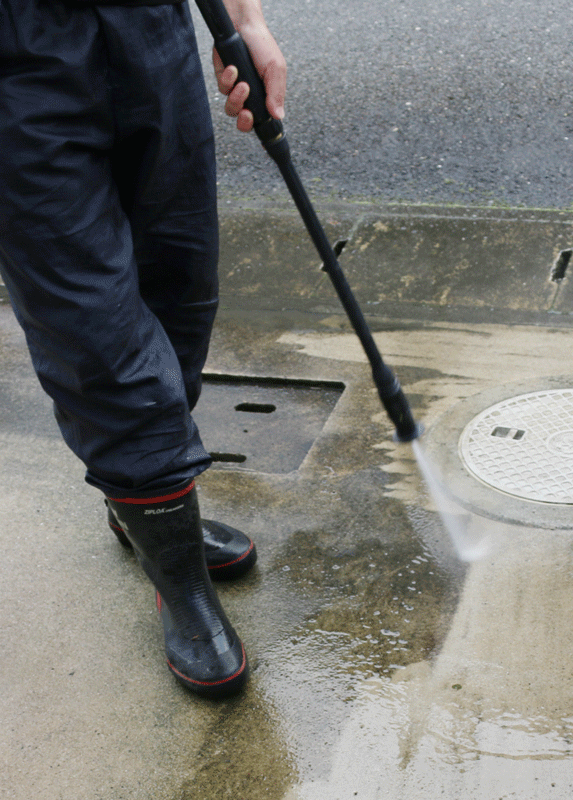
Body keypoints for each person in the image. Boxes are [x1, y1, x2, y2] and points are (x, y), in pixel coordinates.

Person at [0, 0, 286, 698]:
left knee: (180, 281)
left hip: (150, 24)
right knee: (95, 328)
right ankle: (178, 577)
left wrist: (245, 20)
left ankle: (143, 510)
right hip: (16, 54)